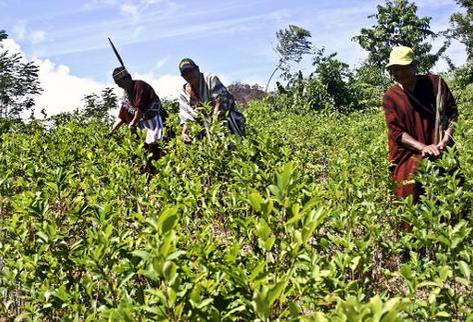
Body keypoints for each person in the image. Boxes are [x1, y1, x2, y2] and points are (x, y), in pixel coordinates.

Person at [383, 46, 459, 202]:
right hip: (409, 152)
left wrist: (446, 138)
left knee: (452, 188)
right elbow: (396, 132)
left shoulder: (435, 84)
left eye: (403, 68)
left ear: (414, 66)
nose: (399, 74)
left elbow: (452, 114)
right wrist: (423, 147)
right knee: (409, 191)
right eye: (394, 70)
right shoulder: (391, 96)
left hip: (441, 146)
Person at [109, 66, 166, 169]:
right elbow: (123, 115)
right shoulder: (127, 94)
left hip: (158, 121)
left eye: (120, 83)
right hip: (145, 126)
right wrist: (112, 130)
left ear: (127, 78)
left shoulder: (139, 85)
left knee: (161, 150)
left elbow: (140, 109)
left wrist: (133, 123)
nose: (119, 86)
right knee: (147, 154)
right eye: (118, 84)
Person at [177, 58, 243, 142]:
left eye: (191, 71)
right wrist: (184, 133)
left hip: (226, 121)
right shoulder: (183, 92)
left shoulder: (210, 79)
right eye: (185, 73)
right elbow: (186, 116)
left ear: (197, 69)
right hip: (205, 126)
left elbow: (220, 102)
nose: (189, 75)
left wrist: (214, 126)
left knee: (233, 146)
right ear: (182, 76)